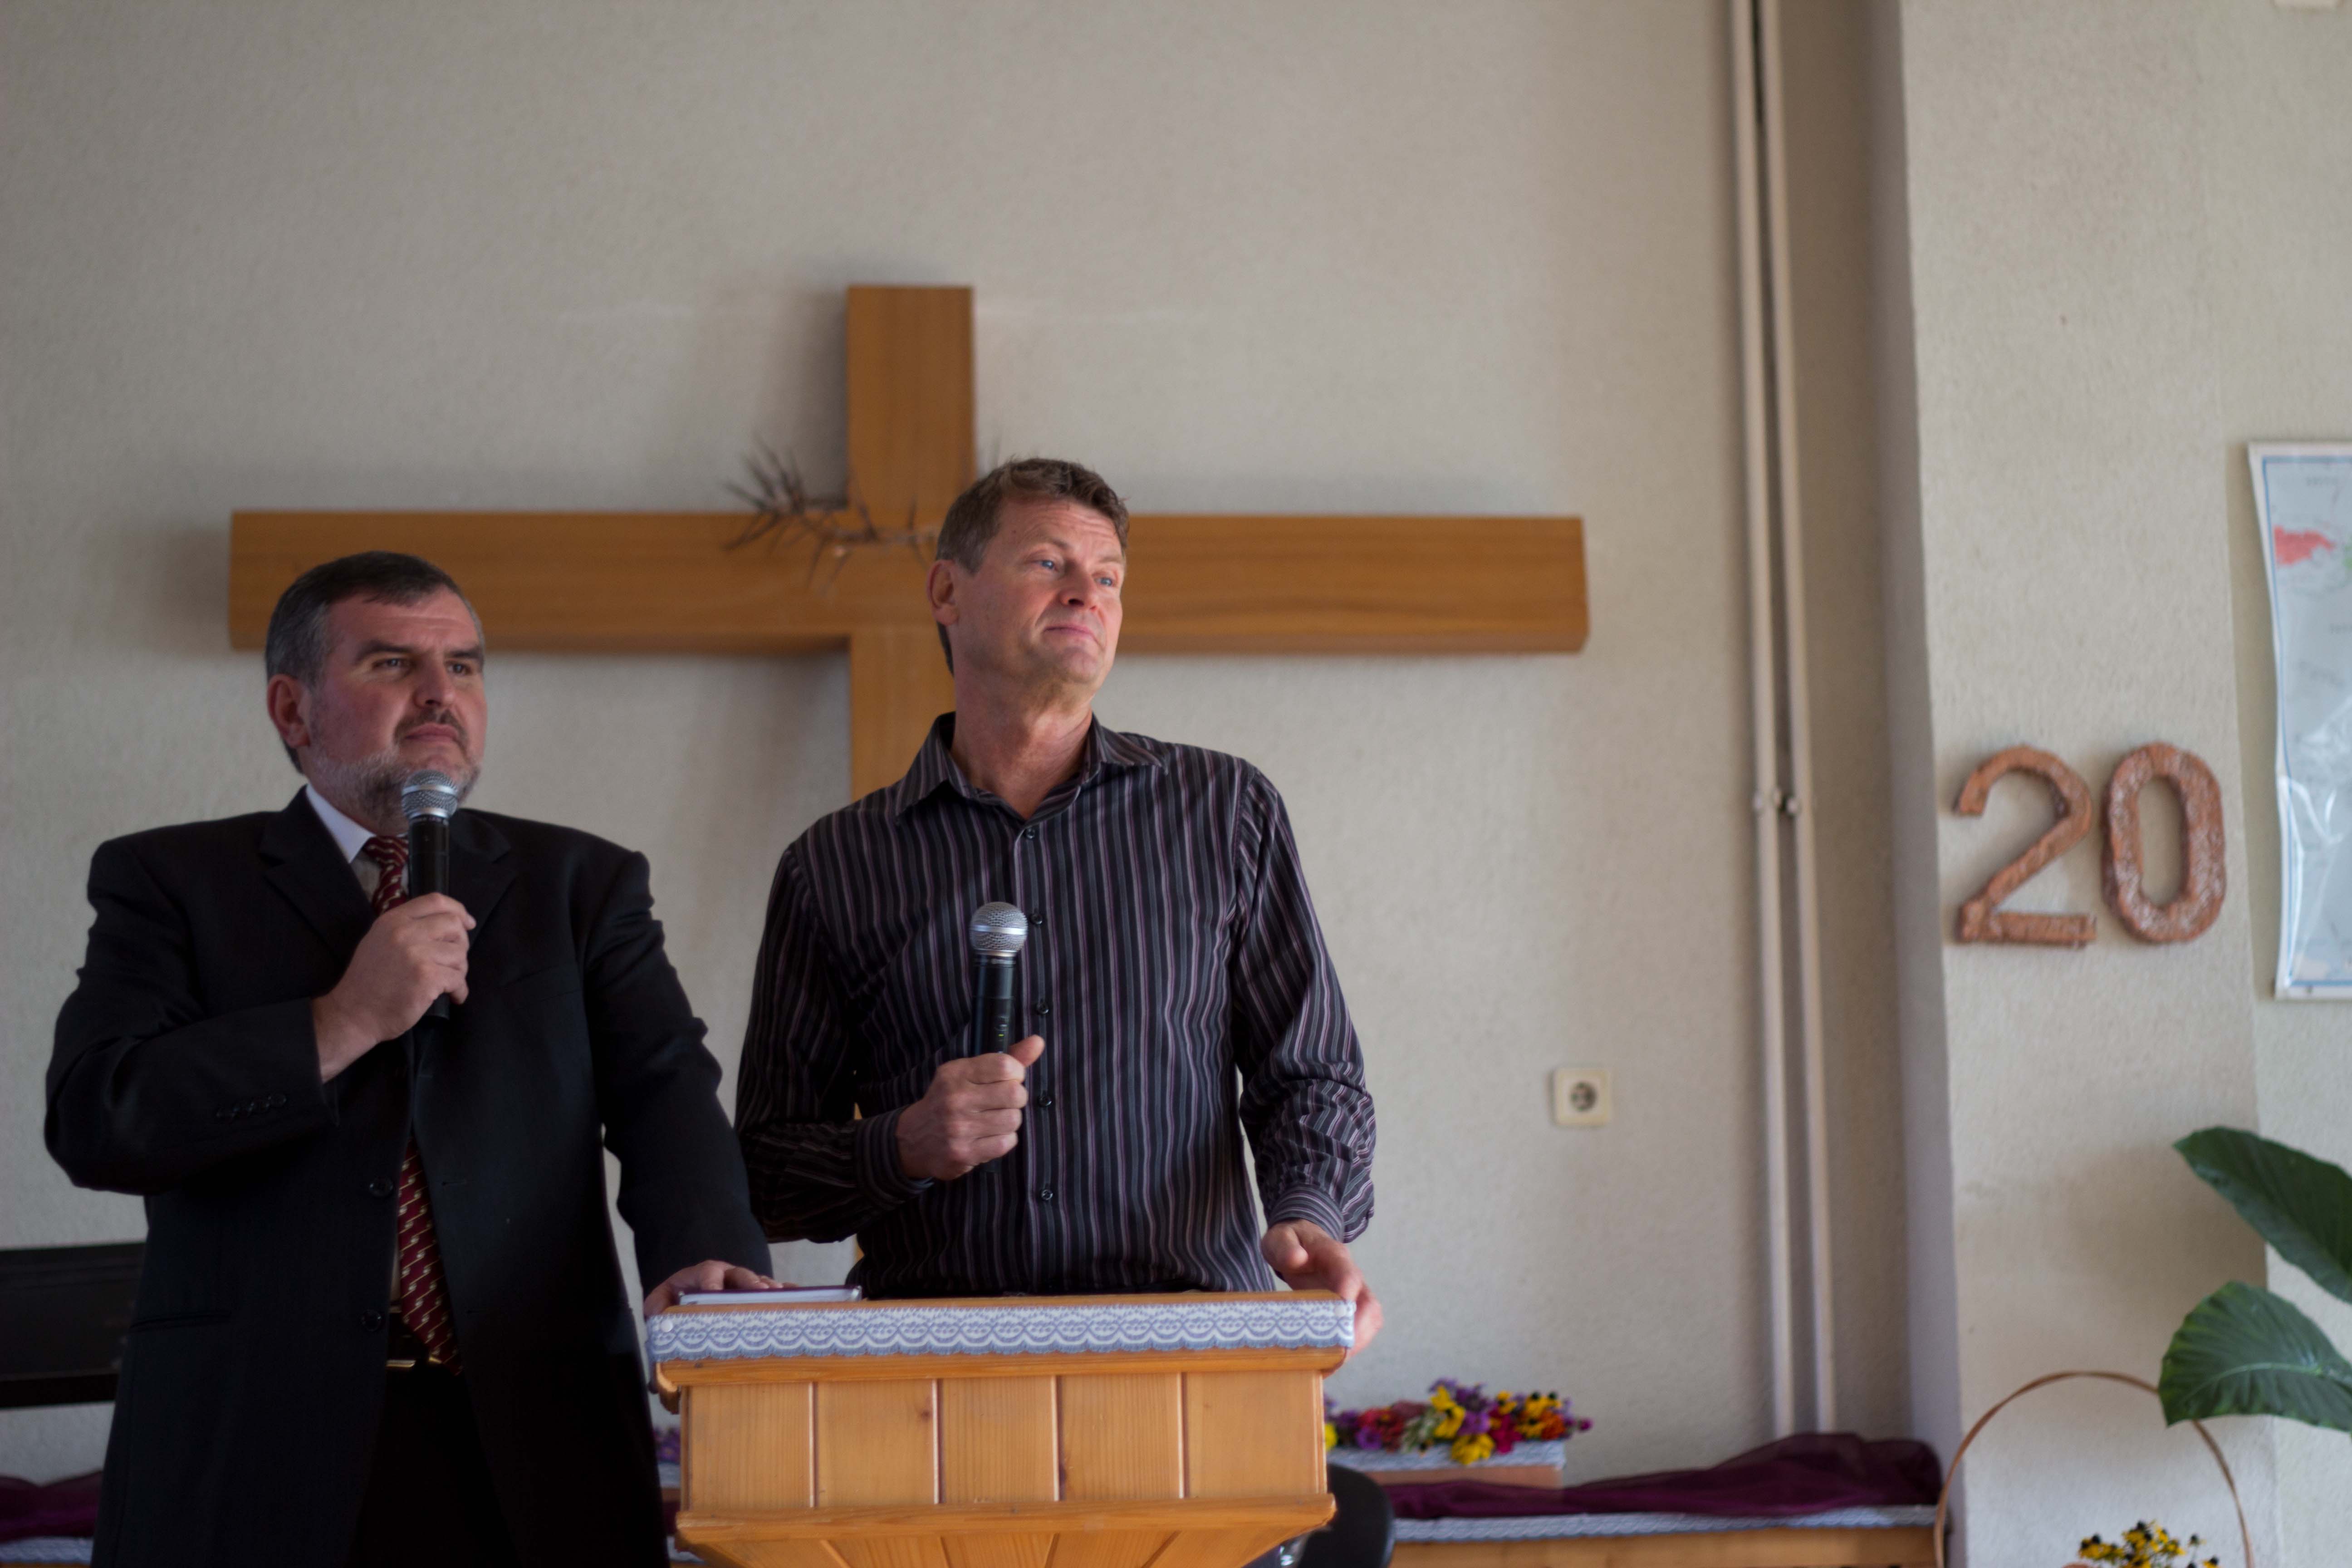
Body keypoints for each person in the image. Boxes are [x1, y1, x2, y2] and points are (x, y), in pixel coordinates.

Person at [47, 552, 775, 1568]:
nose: (441, 693)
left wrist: (702, 1250)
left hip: (534, 1438)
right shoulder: (169, 881)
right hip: (251, 1444)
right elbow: (100, 1116)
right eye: (393, 663)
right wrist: (340, 1021)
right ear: (293, 709)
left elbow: (665, 1089)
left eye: (464, 667)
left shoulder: (582, 883)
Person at [735, 459, 1380, 1347]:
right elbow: (765, 1171)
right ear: (947, 592)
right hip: (935, 1363)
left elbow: (1310, 1073)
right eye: (1048, 563)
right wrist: (905, 1145)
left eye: (1108, 577)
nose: (1087, 593)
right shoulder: (834, 865)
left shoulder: (1225, 810)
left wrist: (1307, 1212)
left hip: (1190, 1348)